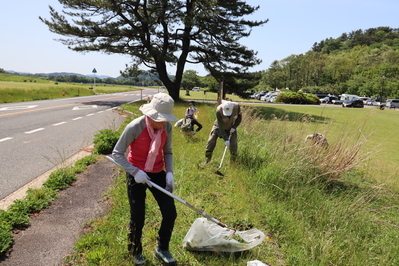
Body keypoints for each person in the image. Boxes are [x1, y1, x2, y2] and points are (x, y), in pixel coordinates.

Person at [112, 93, 178, 266]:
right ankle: (135, 251)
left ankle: (162, 248)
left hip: (158, 172)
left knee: (170, 213)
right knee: (138, 216)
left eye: (165, 119)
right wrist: (135, 172)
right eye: (159, 119)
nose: (162, 122)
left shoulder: (167, 128)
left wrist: (169, 172)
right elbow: (116, 153)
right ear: (150, 114)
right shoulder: (135, 127)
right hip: (137, 174)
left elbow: (168, 151)